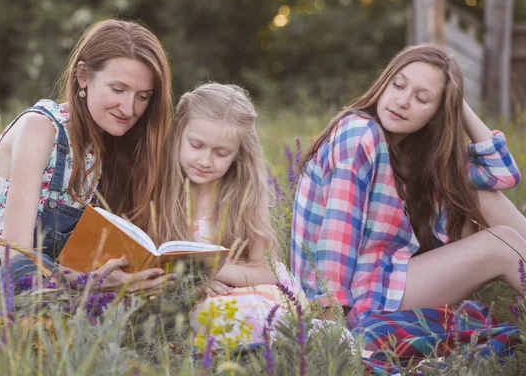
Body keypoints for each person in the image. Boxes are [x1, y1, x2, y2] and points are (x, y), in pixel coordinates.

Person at [0, 19, 175, 308]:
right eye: (118, 89)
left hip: (52, 287)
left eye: (143, 97)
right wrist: (94, 283)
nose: (129, 109)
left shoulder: (107, 147)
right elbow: (16, 257)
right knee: (25, 272)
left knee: (148, 301)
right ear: (83, 76)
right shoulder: (40, 128)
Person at [291, 43, 526, 330]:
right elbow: (337, 235)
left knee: (485, 198)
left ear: (438, 113)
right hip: (359, 296)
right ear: (384, 82)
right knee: (503, 245)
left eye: (422, 98)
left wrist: (456, 102)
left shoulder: (418, 152)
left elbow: (502, 175)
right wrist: (328, 320)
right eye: (398, 85)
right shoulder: (359, 134)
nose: (402, 101)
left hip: (385, 277)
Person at [155, 83, 307, 345]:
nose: (205, 160)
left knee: (256, 318)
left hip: (244, 292)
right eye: (197, 145)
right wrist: (192, 280)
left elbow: (268, 271)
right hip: (190, 300)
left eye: (221, 152)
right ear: (178, 134)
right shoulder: (160, 190)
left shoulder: (242, 197)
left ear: (238, 155)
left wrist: (210, 270)